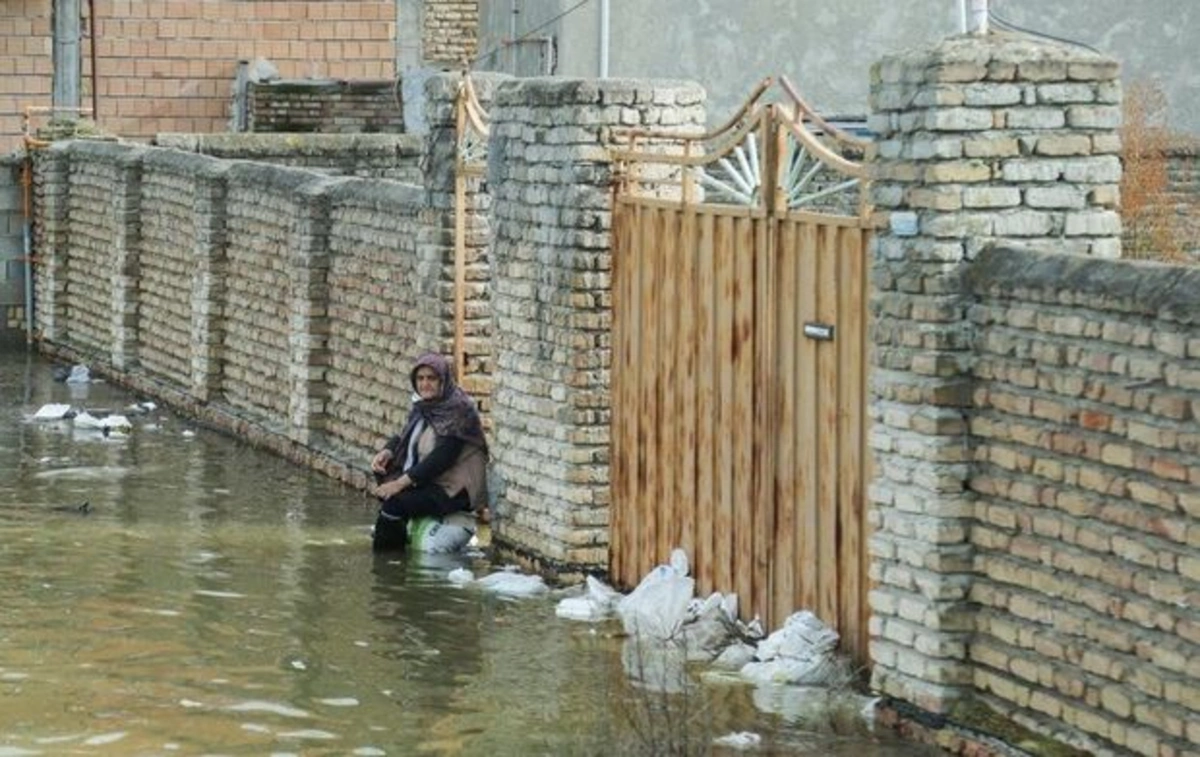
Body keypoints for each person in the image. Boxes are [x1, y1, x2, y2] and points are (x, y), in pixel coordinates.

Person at [369, 352, 489, 551]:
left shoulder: (458, 411)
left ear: (443, 380)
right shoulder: (425, 407)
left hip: (453, 490)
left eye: (432, 378)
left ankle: (386, 569)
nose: (425, 384)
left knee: (394, 505)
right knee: (384, 472)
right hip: (431, 481)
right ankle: (396, 538)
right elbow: (405, 435)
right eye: (420, 378)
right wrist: (388, 450)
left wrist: (400, 484)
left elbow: (442, 458)